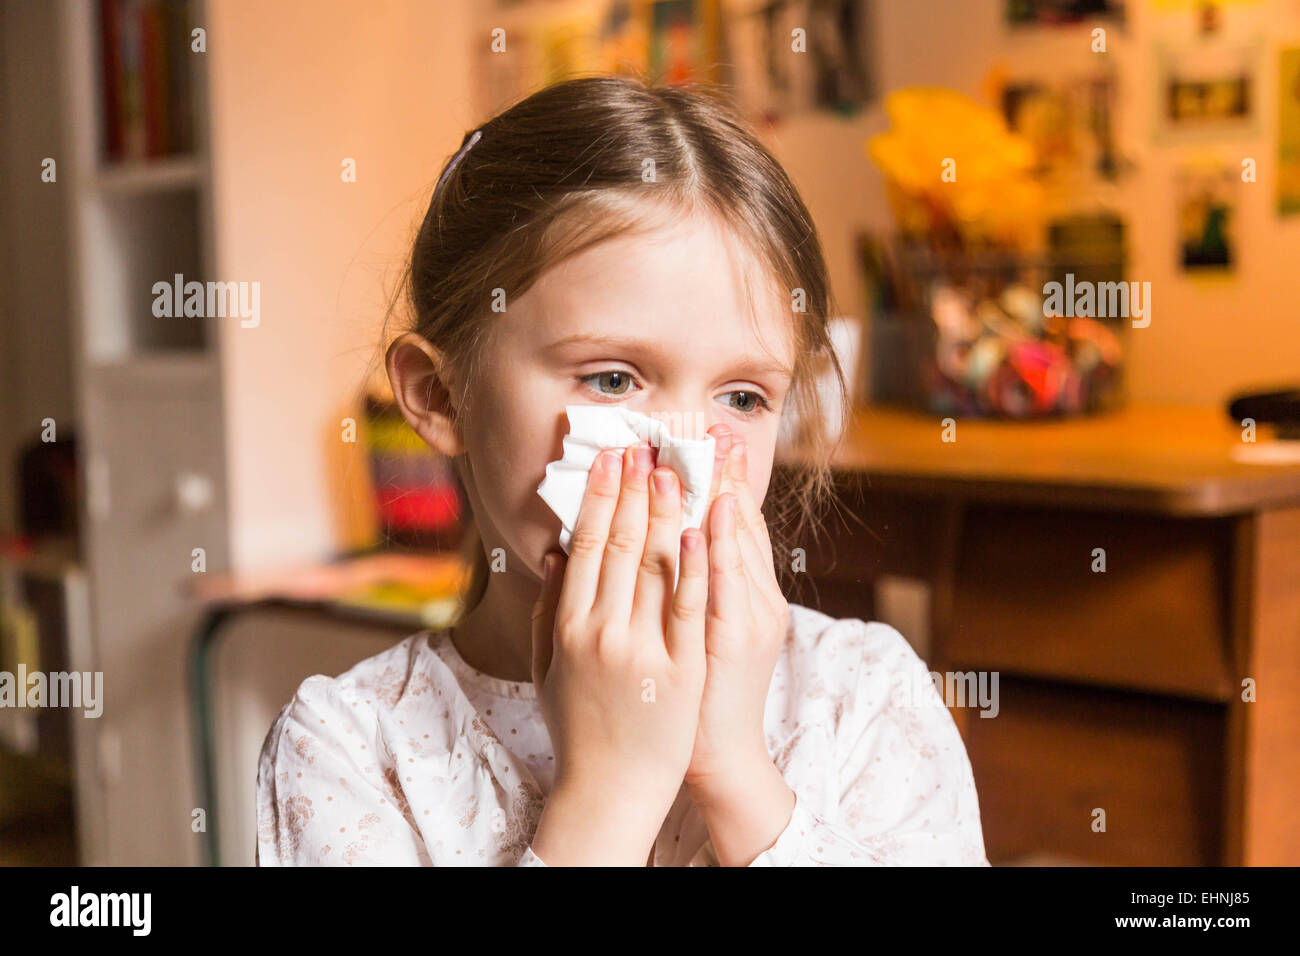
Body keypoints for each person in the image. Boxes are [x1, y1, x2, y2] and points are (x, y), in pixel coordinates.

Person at [256, 75, 989, 867]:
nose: (680, 458)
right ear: (441, 396)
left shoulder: (867, 698)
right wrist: (609, 793)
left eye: (742, 396)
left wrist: (738, 779)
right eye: (612, 380)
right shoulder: (349, 752)